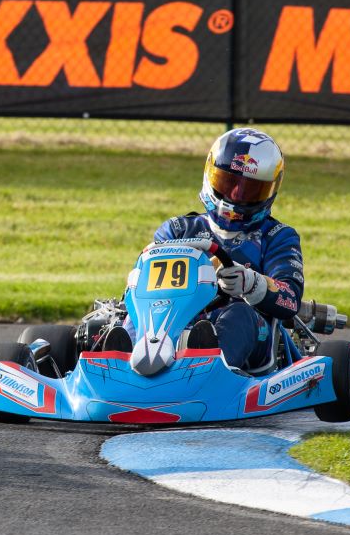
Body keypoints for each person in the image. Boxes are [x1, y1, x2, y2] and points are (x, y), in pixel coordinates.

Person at [103, 128, 303, 371]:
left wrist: (253, 284)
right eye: (228, 183)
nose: (235, 196)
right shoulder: (177, 230)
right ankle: (120, 365)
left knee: (238, 315)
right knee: (134, 318)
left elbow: (290, 300)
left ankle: (210, 367)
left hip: (250, 335)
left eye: (249, 190)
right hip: (175, 323)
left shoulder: (278, 237)